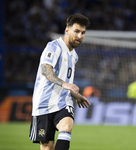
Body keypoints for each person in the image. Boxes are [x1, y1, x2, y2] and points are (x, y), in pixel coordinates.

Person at [29, 14, 91, 150]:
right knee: (47, 147)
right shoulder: (54, 47)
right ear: (67, 30)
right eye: (76, 31)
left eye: (83, 33)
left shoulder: (74, 55)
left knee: (67, 127)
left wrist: (74, 94)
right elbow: (45, 69)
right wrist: (65, 84)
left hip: (63, 102)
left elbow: (66, 79)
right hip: (43, 103)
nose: (80, 36)